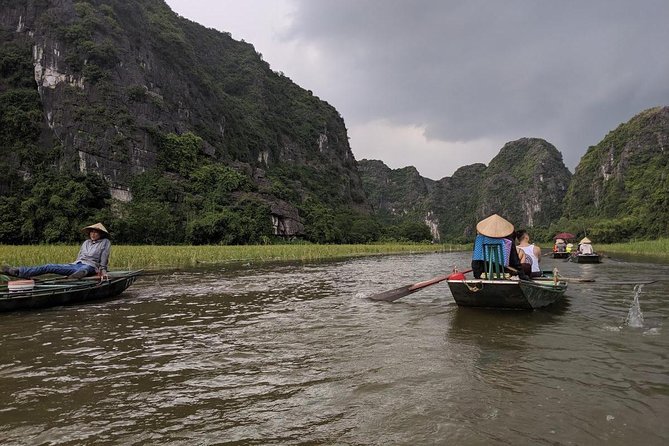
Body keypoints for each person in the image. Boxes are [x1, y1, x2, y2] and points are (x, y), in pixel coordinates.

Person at [2, 223, 111, 280]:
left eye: (96, 232)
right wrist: (72, 266)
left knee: (85, 269)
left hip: (91, 267)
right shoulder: (86, 243)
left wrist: (103, 271)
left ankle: (77, 275)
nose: (93, 234)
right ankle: (18, 271)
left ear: (101, 234)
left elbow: (104, 258)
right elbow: (79, 257)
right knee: (49, 266)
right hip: (76, 264)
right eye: (91, 232)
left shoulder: (105, 242)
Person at [471, 214, 528, 280]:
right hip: (504, 272)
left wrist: (477, 275)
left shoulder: (479, 240)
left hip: (484, 273)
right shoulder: (508, 241)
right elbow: (515, 262)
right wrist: (522, 275)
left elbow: (475, 261)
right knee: (527, 267)